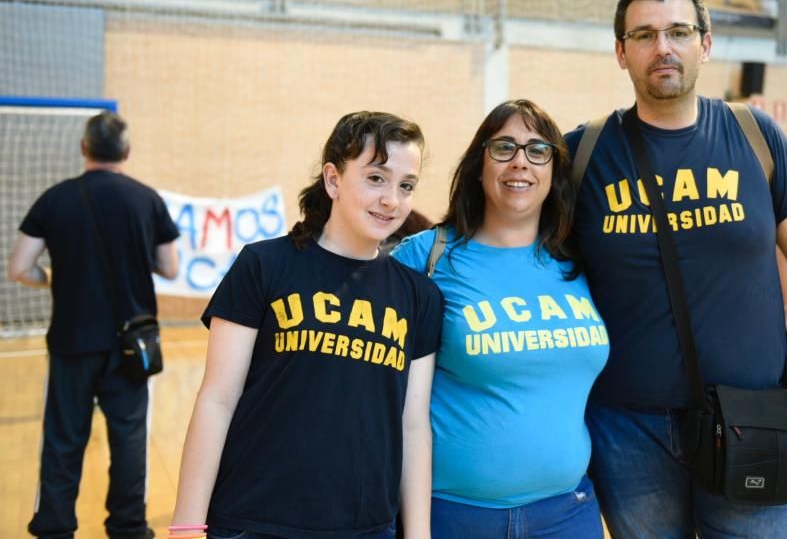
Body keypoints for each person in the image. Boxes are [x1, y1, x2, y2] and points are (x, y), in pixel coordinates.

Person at [566, 0, 787, 538]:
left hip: (753, 424)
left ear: (705, 44)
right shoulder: (584, 153)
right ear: (621, 53)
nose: (662, 47)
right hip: (626, 432)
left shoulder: (755, 136)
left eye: (678, 32)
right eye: (643, 35)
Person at [170, 112, 443, 539]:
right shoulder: (263, 266)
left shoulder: (419, 297)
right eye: (376, 178)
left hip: (366, 528)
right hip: (252, 522)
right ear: (333, 180)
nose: (392, 198)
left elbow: (413, 426)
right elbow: (216, 400)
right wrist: (186, 526)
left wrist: (419, 534)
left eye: (405, 185)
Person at [391, 99, 608, 539]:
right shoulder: (425, 257)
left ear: (554, 171)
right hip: (451, 515)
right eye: (504, 147)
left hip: (568, 514)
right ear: (478, 164)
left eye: (537, 150)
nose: (520, 162)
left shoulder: (580, 263)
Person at [7, 111, 180, 539]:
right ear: (127, 152)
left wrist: (49, 279)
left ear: (84, 148)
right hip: (132, 342)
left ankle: (54, 527)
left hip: (71, 341)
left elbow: (19, 267)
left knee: (63, 439)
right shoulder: (147, 199)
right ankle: (127, 526)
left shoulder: (55, 199)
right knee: (129, 439)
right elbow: (171, 268)